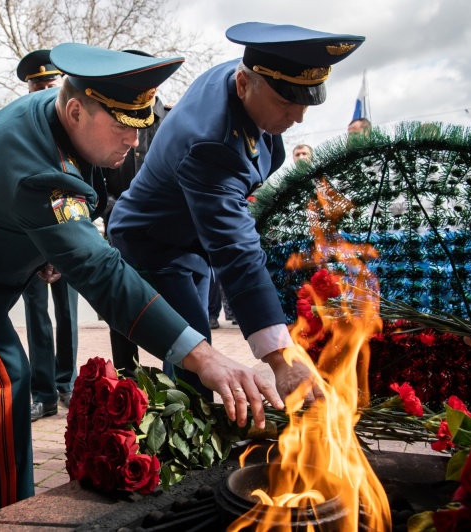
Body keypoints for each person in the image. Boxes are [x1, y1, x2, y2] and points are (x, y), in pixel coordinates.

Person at [0, 43, 288, 513]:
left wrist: (47, 242)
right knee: (6, 376)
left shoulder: (59, 109)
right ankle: (10, 511)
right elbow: (102, 272)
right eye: (123, 125)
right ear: (77, 109)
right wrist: (202, 358)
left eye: (140, 125)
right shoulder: (39, 170)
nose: (135, 140)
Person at [108, 22, 365, 401]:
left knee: (190, 343)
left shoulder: (255, 71)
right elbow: (235, 250)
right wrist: (281, 361)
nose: (298, 118)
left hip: (192, 239)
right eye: (285, 103)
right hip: (152, 241)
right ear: (244, 84)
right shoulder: (210, 144)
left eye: (304, 103)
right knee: (196, 352)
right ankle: (188, 441)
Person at [16, 49, 80, 421]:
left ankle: (66, 382)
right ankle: (43, 392)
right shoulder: (20, 130)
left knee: (67, 317)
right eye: (37, 86)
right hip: (30, 244)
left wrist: (62, 246)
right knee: (37, 317)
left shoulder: (76, 129)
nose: (43, 91)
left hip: (68, 240)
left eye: (50, 85)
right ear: (29, 90)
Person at [102, 49, 171, 378]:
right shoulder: (107, 121)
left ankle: (183, 394)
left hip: (167, 238)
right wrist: (119, 211)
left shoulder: (172, 122)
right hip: (120, 235)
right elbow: (96, 181)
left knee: (176, 318)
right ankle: (128, 387)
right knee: (122, 320)